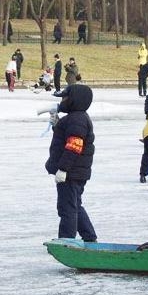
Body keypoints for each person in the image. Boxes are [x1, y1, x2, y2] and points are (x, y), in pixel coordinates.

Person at [45, 84, 97, 242]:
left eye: (65, 98)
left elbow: (74, 146)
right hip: (76, 171)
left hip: (71, 172)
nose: (62, 101)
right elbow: (67, 137)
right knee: (75, 205)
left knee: (67, 207)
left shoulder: (77, 119)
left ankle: (66, 240)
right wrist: (57, 125)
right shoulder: (76, 118)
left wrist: (63, 169)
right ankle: (89, 236)